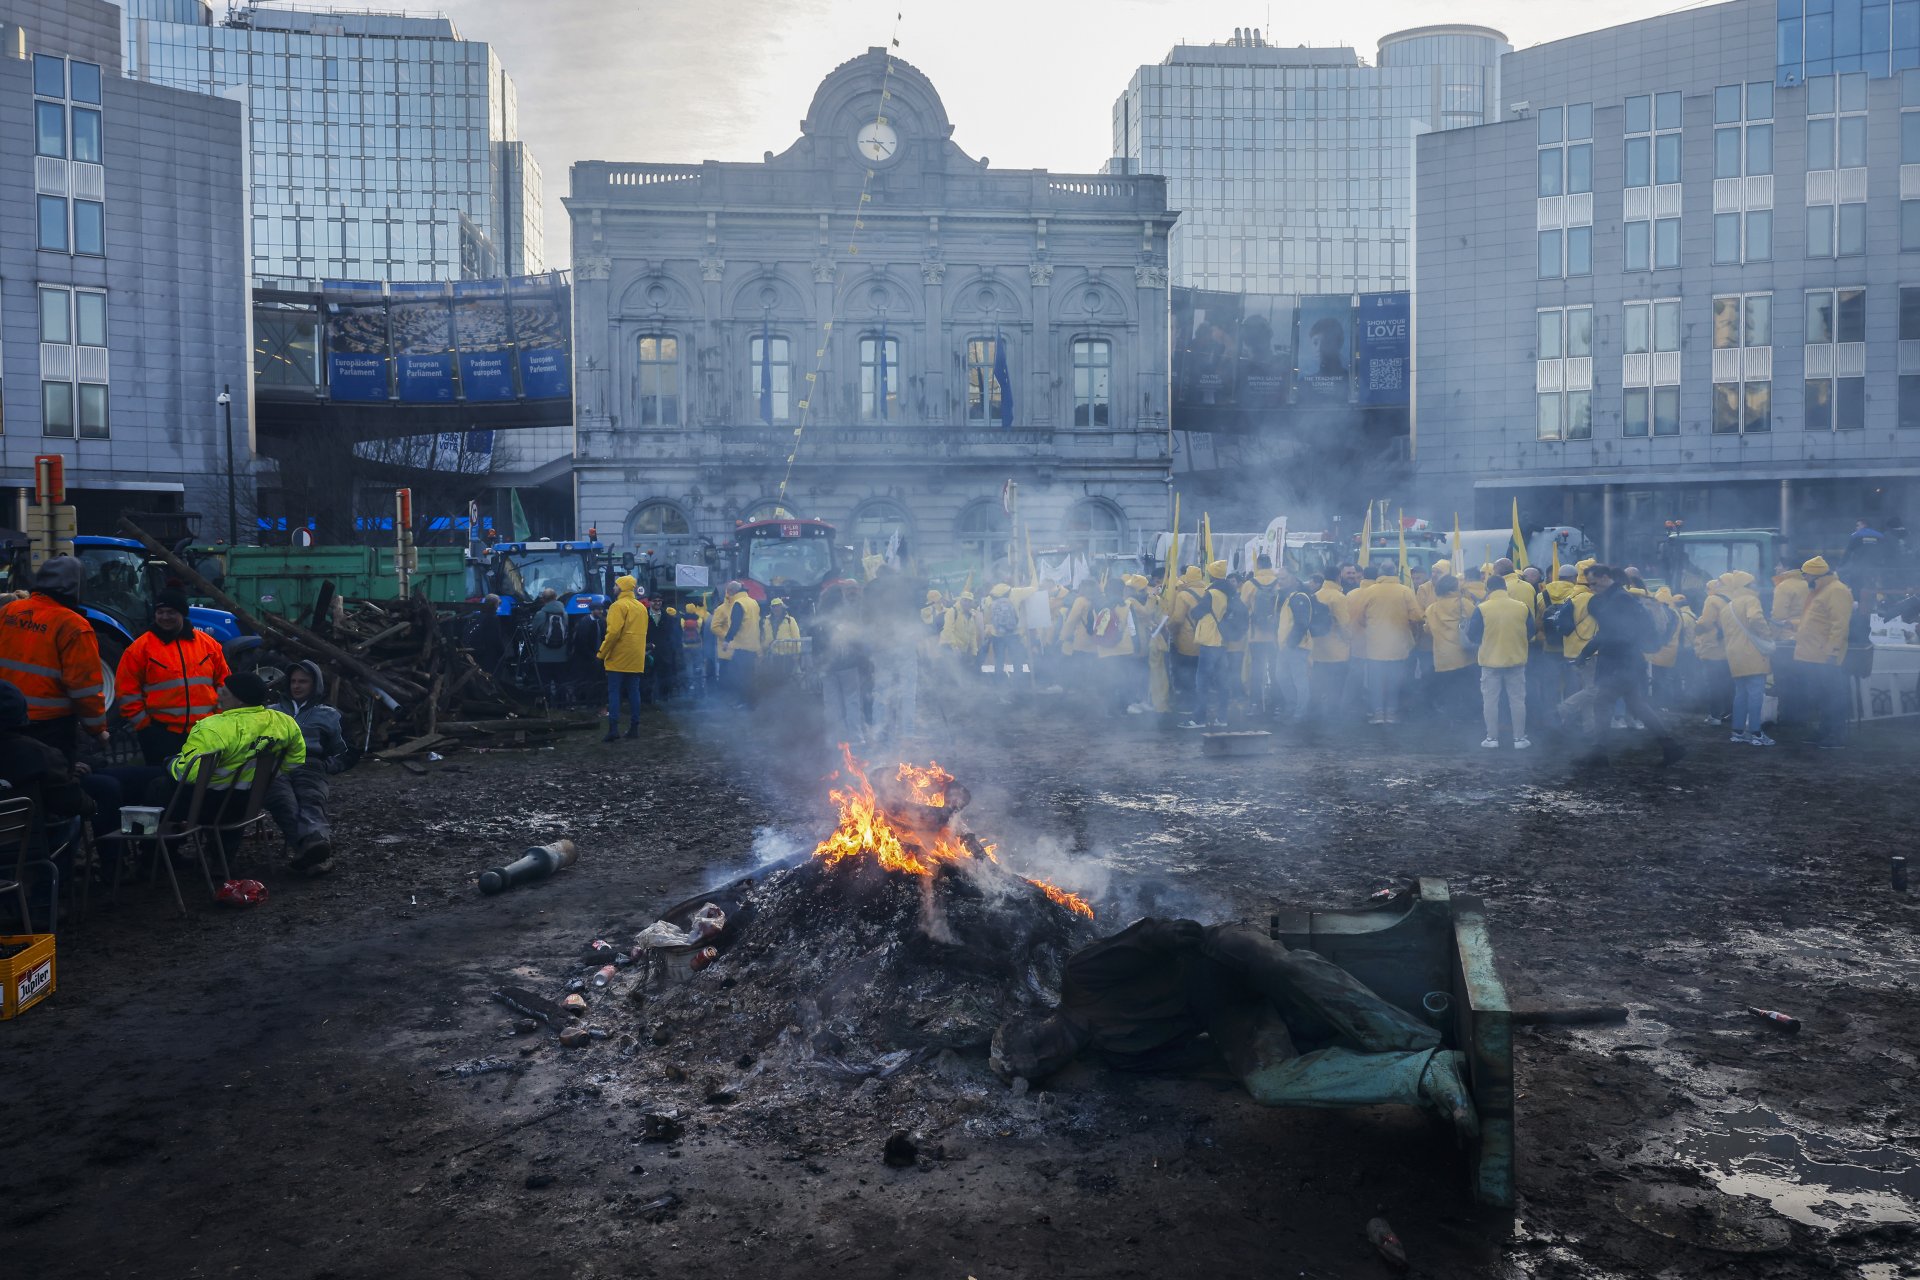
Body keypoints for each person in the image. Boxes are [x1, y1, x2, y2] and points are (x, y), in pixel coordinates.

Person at [989, 918, 1478, 1145]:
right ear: (1054, 1067)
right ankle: (1425, 1072)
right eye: (1044, 1060)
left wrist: (1177, 937)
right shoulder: (1119, 1052)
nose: (1051, 1049)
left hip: (1221, 955)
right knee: (1269, 1083)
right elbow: (1207, 1061)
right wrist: (1253, 1061)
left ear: (1037, 1026)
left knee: (1289, 973)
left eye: (1037, 1042)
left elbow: (1147, 936)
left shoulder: (1081, 978)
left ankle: (1417, 1040)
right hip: (1230, 1014)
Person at [165, 672, 308, 859]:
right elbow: (296, 760)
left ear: (240, 700)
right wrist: (264, 776)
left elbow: (189, 775)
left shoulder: (213, 728)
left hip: (211, 808)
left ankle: (157, 858)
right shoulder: (284, 722)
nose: (218, 696)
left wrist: (170, 763)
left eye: (224, 692)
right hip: (249, 804)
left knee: (157, 787)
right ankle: (220, 857)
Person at [1554, 565, 1685, 765]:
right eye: (1589, 584)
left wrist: (1585, 654)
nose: (1592, 587)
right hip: (1627, 661)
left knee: (1602, 701)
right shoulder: (1617, 598)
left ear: (1606, 577)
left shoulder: (1618, 601)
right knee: (1637, 705)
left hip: (1620, 662)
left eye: (1594, 583)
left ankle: (1599, 754)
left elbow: (1610, 633)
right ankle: (1670, 747)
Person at [0, 556, 108, 761]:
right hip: (50, 727)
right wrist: (97, 730)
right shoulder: (74, 626)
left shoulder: (9, 611)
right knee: (53, 785)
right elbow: (85, 689)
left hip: (6, 719)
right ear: (77, 586)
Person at [115, 587, 231, 766]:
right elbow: (126, 692)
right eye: (160, 612)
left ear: (182, 614)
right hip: (161, 735)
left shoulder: (209, 645)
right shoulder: (139, 649)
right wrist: (145, 727)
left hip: (206, 732)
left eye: (171, 612)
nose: (164, 617)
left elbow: (225, 684)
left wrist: (219, 718)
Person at [264, 661, 349, 874]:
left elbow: (343, 749)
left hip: (310, 764)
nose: (297, 686)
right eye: (293, 681)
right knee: (283, 801)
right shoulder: (272, 712)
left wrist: (329, 765)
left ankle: (313, 850)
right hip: (277, 765)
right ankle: (315, 852)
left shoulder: (329, 715)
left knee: (310, 798)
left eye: (303, 681)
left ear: (315, 684)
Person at [1465, 576, 1533, 749]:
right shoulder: (1522, 607)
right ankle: (1519, 739)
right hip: (1516, 660)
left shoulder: (1482, 608)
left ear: (1489, 589)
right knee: (1517, 700)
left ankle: (1491, 738)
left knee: (1490, 701)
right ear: (1505, 588)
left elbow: (1472, 635)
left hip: (1490, 661)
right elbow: (1531, 631)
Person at [1793, 556, 1854, 749]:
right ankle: (1825, 732)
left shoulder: (1836, 591)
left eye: (1805, 574)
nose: (1804, 578)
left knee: (1833, 697)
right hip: (1815, 654)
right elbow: (1816, 621)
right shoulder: (1822, 590)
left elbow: (1840, 625)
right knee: (1822, 696)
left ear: (1814, 574)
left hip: (1826, 656)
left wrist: (1832, 652)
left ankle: (1836, 736)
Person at [1352, 565, 1421, 725]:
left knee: (1375, 681)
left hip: (1375, 646)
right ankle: (1391, 714)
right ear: (1396, 574)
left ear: (1380, 574)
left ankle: (1377, 714)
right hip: (1398, 646)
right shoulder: (1405, 591)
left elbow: (1360, 617)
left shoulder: (1370, 591)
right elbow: (1417, 616)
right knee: (1394, 681)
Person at [1714, 570, 1775, 746]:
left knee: (1740, 695)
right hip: (1752, 654)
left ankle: (1738, 732)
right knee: (1756, 695)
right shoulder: (1751, 600)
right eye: (1752, 584)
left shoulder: (1727, 608)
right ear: (1746, 586)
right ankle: (1756, 733)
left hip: (1734, 655)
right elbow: (1755, 619)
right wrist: (1767, 636)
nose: (1756, 586)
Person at [597, 574, 649, 741]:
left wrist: (601, 653)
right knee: (634, 692)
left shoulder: (617, 606)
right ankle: (634, 728)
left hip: (618, 656)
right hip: (636, 656)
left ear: (622, 588)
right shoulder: (641, 607)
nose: (613, 588)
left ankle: (613, 729)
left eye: (616, 585)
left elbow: (613, 633)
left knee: (614, 693)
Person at [1187, 561, 1235, 728]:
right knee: (1222, 682)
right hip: (1222, 641)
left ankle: (1199, 719)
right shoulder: (1229, 591)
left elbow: (1197, 612)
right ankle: (1222, 718)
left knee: (1203, 682)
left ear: (1212, 575)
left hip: (1209, 641)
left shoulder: (1212, 593)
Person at [1423, 575, 1474, 720]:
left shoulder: (1431, 609)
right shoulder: (1464, 603)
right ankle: (1465, 718)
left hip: (1443, 657)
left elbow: (1427, 629)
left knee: (1448, 689)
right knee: (1465, 689)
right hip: (1464, 655)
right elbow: (1477, 619)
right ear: (1454, 588)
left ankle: (1451, 718)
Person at [1273, 573, 1318, 725]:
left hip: (1297, 647)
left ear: (1293, 579)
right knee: (1282, 676)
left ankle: (1300, 713)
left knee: (1299, 680)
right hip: (1286, 647)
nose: (1280, 581)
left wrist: (1290, 644)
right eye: (1278, 579)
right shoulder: (1288, 598)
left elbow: (1301, 623)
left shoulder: (1299, 597)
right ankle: (1292, 708)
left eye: (1283, 578)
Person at [1242, 555, 1284, 712]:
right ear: (1271, 564)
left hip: (1255, 635)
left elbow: (1242, 607)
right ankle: (1277, 704)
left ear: (1258, 565)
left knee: (1257, 669)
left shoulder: (1249, 584)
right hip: (1276, 634)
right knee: (1275, 669)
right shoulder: (1279, 582)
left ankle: (1255, 703)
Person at [713, 580, 763, 709]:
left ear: (732, 592)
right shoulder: (753, 602)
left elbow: (735, 624)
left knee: (739, 676)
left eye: (728, 592)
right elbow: (759, 623)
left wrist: (727, 640)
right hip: (753, 646)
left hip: (741, 646)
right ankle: (753, 703)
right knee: (750, 676)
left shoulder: (738, 603)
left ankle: (743, 702)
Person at [1691, 579, 1732, 725]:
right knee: (1727, 683)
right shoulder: (1729, 600)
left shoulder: (1712, 599)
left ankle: (1715, 716)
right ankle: (1729, 712)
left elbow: (1706, 622)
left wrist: (1697, 627)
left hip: (1713, 648)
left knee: (1714, 684)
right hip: (1727, 648)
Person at [531, 588, 572, 705]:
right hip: (561, 655)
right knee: (561, 682)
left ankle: (547, 703)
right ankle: (562, 704)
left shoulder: (540, 614)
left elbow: (534, 631)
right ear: (556, 597)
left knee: (545, 682)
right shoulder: (565, 614)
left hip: (543, 656)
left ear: (543, 600)